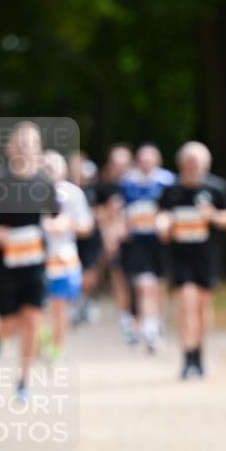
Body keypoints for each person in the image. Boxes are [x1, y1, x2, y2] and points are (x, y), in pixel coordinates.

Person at [0, 121, 59, 399]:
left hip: (35, 261)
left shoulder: (44, 182)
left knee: (34, 319)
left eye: (31, 142)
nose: (25, 147)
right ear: (10, 147)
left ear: (38, 148)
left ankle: (24, 381)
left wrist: (55, 227)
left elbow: (59, 216)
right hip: (5, 263)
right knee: (11, 324)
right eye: (21, 142)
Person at [157, 142, 226, 379]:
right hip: (181, 257)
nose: (195, 167)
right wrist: (163, 225)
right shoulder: (171, 190)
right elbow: (161, 216)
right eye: (190, 162)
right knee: (186, 304)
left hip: (207, 257)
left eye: (200, 163)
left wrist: (213, 215)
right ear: (181, 164)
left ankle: (199, 355)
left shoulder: (216, 188)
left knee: (203, 309)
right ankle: (186, 356)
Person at [118, 143, 176, 352]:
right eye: (143, 160)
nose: (146, 164)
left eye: (150, 160)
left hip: (159, 243)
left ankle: (157, 322)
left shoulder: (167, 181)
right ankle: (149, 330)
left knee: (158, 287)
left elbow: (173, 209)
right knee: (144, 285)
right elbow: (120, 208)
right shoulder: (127, 182)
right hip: (138, 242)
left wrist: (166, 223)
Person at [41, 150, 94, 360]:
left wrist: (69, 223)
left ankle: (56, 350)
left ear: (63, 169)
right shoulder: (28, 193)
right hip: (37, 259)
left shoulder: (73, 193)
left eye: (54, 164)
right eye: (45, 164)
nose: (49, 168)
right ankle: (40, 343)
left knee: (60, 308)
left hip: (64, 260)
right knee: (40, 308)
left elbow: (87, 226)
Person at [93, 145, 137, 343]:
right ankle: (126, 319)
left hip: (137, 241)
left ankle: (140, 320)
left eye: (124, 164)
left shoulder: (137, 187)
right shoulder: (103, 188)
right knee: (120, 279)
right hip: (112, 241)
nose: (120, 169)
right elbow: (95, 215)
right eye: (116, 164)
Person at [67, 151, 103, 324]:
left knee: (89, 275)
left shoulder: (94, 190)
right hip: (70, 238)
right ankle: (73, 304)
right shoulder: (65, 190)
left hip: (91, 239)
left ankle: (84, 302)